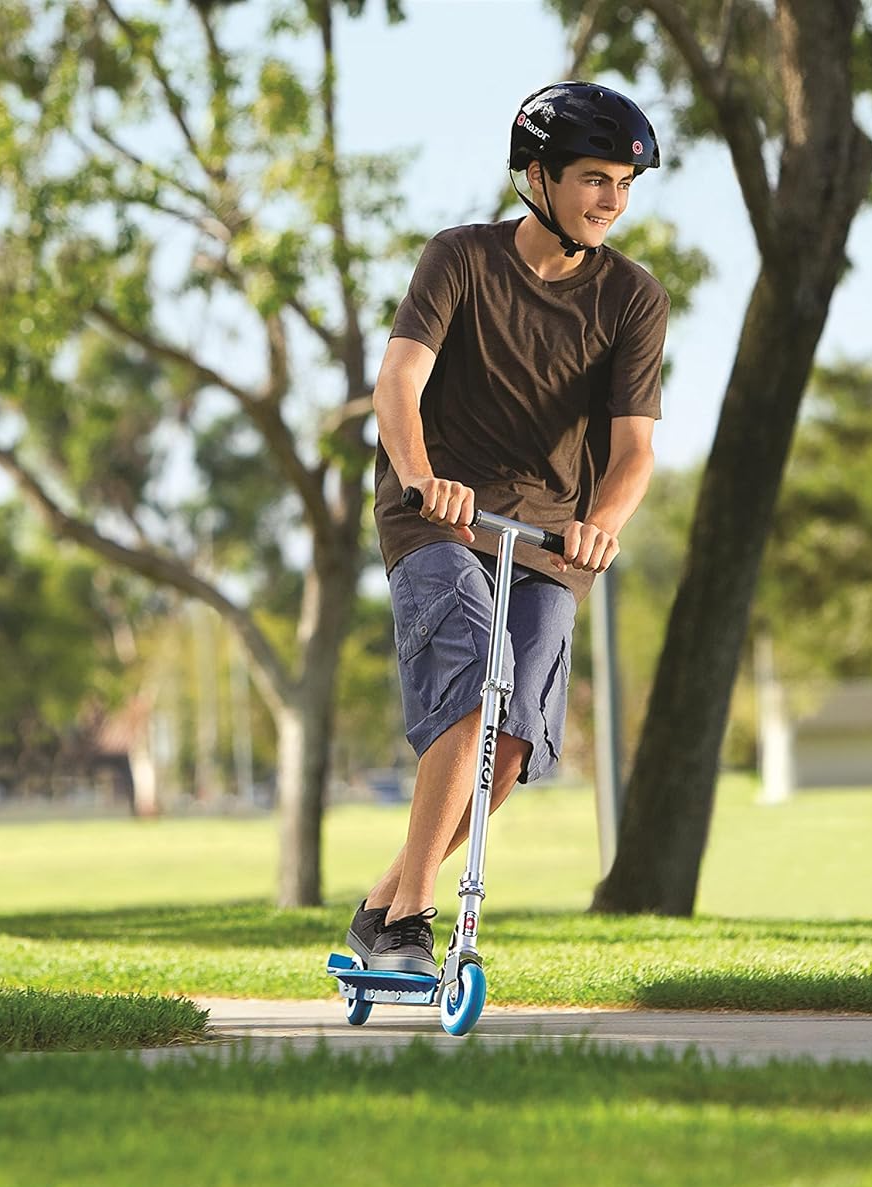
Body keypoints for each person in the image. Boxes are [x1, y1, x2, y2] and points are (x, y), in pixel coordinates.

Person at [348, 81, 670, 974]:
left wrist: (601, 523)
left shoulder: (633, 299)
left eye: (624, 185)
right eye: (595, 179)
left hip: (549, 540)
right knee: (467, 695)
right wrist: (421, 477)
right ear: (539, 176)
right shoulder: (459, 258)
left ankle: (378, 908)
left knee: (513, 742)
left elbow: (634, 451)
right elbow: (398, 386)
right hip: (440, 520)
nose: (611, 200)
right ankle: (411, 923)